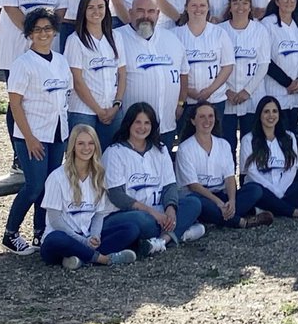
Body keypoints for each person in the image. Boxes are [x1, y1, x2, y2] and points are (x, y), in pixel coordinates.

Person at [2, 8, 72, 256]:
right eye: (37, 29)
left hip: (57, 133)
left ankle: (40, 231)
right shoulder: (22, 64)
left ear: (55, 31)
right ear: (29, 34)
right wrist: (29, 138)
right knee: (34, 186)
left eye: (48, 29)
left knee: (49, 186)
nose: (43, 34)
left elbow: (66, 96)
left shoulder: (61, 61)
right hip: (32, 135)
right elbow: (15, 105)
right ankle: (10, 234)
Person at [104, 103, 205, 254]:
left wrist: (171, 210)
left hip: (159, 211)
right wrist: (152, 213)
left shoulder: (161, 149)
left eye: (147, 123)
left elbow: (169, 185)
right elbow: (116, 195)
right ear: (129, 124)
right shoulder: (114, 152)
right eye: (138, 122)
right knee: (144, 222)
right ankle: (180, 232)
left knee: (193, 203)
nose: (142, 127)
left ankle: (162, 241)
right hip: (127, 214)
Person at [39, 125, 139, 269]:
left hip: (86, 235)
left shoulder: (98, 176)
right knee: (56, 239)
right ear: (73, 146)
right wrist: (82, 241)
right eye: (81, 143)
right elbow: (55, 220)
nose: (86, 148)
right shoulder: (57, 177)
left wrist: (95, 236)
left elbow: (99, 214)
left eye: (91, 143)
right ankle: (103, 259)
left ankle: (78, 259)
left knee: (131, 229)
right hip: (63, 237)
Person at [176, 102, 272, 229]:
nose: (207, 121)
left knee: (255, 190)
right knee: (198, 203)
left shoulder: (223, 144)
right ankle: (241, 222)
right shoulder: (185, 148)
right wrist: (219, 203)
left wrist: (231, 201)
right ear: (193, 121)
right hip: (200, 196)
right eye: (202, 116)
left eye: (210, 116)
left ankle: (222, 215)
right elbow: (193, 186)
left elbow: (229, 177)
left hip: (220, 194)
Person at [115, 0, 188, 151]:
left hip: (166, 126)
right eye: (140, 11)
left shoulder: (172, 39)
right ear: (130, 13)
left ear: (158, 14)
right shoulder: (117, 38)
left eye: (150, 11)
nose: (145, 16)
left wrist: (181, 103)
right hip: (131, 129)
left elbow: (183, 73)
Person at [240, 96, 298, 218]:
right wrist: (273, 190)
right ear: (259, 115)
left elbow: (292, 168)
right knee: (254, 192)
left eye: (274, 111)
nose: (271, 115)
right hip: (261, 188)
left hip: (284, 188)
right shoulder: (248, 139)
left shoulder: (289, 137)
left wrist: (280, 190)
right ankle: (295, 212)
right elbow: (251, 172)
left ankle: (265, 210)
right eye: (266, 112)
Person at [64, 0, 127, 145]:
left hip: (112, 110)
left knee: (112, 154)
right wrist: (98, 110)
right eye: (91, 7)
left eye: (100, 7)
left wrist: (116, 104)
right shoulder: (75, 40)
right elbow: (77, 80)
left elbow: (122, 73)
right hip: (83, 111)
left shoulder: (116, 37)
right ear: (83, 10)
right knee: (84, 155)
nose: (96, 12)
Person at [175, 0, 235, 138]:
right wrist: (188, 91)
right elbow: (173, 71)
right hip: (187, 101)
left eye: (202, 5)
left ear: (208, 8)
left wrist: (209, 90)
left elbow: (227, 66)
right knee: (186, 143)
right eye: (194, 5)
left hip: (215, 99)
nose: (198, 9)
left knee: (215, 142)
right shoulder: (175, 35)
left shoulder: (219, 33)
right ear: (186, 7)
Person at [219, 0, 271, 155]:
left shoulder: (260, 30)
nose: (240, 7)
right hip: (226, 97)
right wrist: (226, 91)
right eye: (236, 3)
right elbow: (215, 65)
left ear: (250, 7)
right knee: (227, 146)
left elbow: (263, 64)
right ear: (230, 6)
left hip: (252, 96)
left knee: (251, 145)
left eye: (244, 3)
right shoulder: (220, 31)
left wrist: (247, 91)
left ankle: (248, 173)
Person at [262, 0, 298, 134]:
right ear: (277, 1)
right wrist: (287, 83)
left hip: (296, 94)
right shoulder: (267, 24)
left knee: (291, 136)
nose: (289, 2)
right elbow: (266, 60)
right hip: (275, 91)